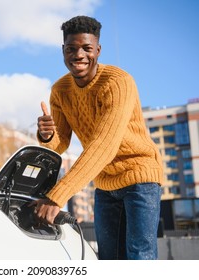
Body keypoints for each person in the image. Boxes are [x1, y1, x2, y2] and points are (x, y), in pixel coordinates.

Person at [34, 15, 163, 260]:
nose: (79, 54)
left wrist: (56, 196)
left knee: (139, 256)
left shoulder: (117, 82)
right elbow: (60, 143)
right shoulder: (60, 90)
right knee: (109, 259)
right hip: (104, 184)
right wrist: (46, 134)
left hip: (140, 178)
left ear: (98, 50)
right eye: (71, 48)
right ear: (63, 50)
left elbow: (104, 145)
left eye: (86, 48)